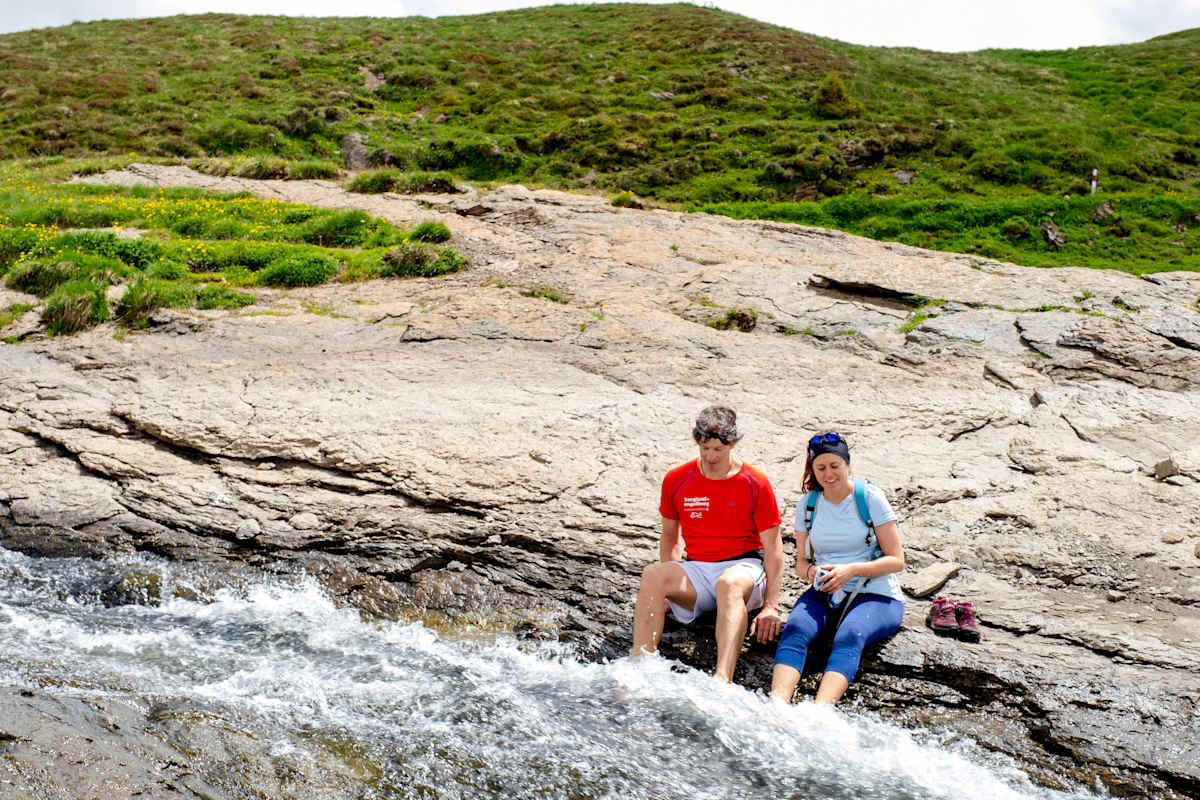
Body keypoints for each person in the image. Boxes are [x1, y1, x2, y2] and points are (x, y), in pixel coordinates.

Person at [631, 406, 784, 681]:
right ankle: (640, 670)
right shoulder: (677, 479)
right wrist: (668, 591)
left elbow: (773, 549)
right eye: (705, 448)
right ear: (697, 442)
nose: (711, 457)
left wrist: (771, 606)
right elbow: (669, 537)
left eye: (718, 450)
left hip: (744, 566)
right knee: (652, 575)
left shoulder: (755, 482)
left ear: (732, 444)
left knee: (729, 583)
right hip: (698, 569)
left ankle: (722, 679)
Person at [770, 431, 905, 705]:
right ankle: (776, 706)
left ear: (847, 465)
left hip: (877, 593)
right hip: (826, 590)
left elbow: (897, 560)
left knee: (849, 634)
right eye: (820, 468)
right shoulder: (808, 505)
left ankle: (820, 712)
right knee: (795, 628)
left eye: (835, 466)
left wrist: (850, 570)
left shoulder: (869, 498)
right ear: (812, 469)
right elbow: (801, 563)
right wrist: (811, 574)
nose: (828, 474)